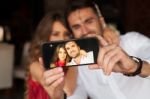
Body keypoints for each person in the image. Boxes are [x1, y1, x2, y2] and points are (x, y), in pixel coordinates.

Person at [65, 0, 150, 99]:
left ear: (101, 22)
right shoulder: (79, 68)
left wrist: (135, 66)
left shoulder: (132, 41)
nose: (85, 31)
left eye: (89, 21)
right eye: (77, 27)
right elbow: (76, 95)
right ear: (72, 33)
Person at [25, 12, 78, 99]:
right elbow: (67, 90)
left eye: (66, 34)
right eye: (56, 34)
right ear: (46, 37)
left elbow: (69, 90)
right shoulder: (35, 65)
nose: (62, 39)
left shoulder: (67, 62)